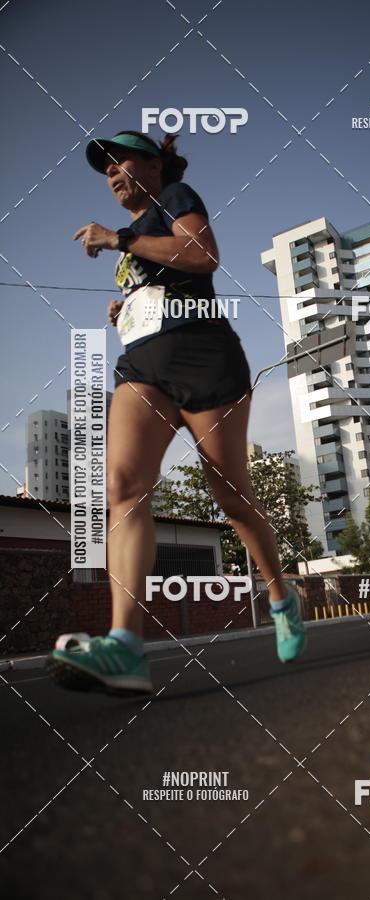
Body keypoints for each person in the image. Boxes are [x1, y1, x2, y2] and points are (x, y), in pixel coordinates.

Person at [46, 131, 306, 695]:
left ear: (156, 164)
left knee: (231, 495)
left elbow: (201, 255)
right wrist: (128, 304)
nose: (113, 173)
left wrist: (119, 240)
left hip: (205, 359)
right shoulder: (134, 235)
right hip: (143, 365)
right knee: (123, 486)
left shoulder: (176, 199)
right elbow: (161, 286)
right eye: (106, 168)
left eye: (123, 161)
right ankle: (126, 646)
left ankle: (282, 596)